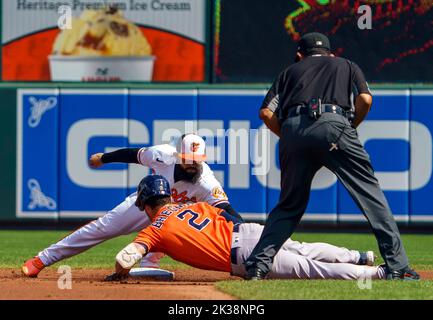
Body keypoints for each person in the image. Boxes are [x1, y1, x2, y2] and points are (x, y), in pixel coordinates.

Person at [244, 32, 419, 280]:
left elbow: (265, 113)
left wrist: (289, 135)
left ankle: (257, 266)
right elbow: (365, 99)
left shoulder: (288, 73)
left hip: (293, 129)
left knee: (288, 206)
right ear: (330, 52)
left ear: (299, 55)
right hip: (335, 125)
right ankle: (398, 267)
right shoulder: (346, 64)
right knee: (370, 196)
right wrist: (349, 127)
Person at [21, 134, 242, 278]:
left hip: (171, 217)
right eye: (188, 158)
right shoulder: (162, 155)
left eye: (197, 159)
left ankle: (150, 266)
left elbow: (226, 210)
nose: (193, 163)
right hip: (145, 203)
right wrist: (104, 158)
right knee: (102, 228)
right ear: (179, 155)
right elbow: (132, 154)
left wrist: (246, 231)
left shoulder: (207, 182)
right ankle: (41, 260)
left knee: (170, 233)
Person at [105, 175, 385, 282]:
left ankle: (379, 274)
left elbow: (124, 258)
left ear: (144, 204)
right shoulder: (188, 206)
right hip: (249, 231)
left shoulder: (152, 231)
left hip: (242, 254)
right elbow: (224, 216)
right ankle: (359, 256)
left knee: (313, 271)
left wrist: (120, 274)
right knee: (303, 248)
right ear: (168, 196)